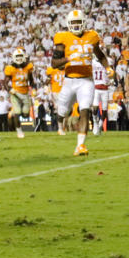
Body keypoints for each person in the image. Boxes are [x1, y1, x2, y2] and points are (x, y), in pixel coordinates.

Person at [51, 10, 111, 156]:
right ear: (68, 24)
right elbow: (54, 63)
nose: (76, 25)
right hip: (69, 80)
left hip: (86, 80)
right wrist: (69, 58)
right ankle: (60, 124)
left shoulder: (92, 36)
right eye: (73, 23)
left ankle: (80, 145)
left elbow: (100, 55)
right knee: (63, 110)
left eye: (78, 22)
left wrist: (108, 68)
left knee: (85, 109)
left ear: (83, 22)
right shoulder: (63, 37)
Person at [3, 48, 35, 139]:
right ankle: (19, 131)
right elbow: (5, 83)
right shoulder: (10, 68)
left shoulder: (28, 67)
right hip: (15, 93)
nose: (19, 58)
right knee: (18, 113)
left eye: (21, 56)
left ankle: (13, 112)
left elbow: (31, 79)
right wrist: (9, 89)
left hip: (25, 93)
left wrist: (33, 87)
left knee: (25, 114)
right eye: (17, 56)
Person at [90, 57, 112, 136]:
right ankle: (95, 122)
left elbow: (111, 73)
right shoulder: (92, 62)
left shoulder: (107, 61)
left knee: (105, 110)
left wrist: (111, 79)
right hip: (96, 88)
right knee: (95, 107)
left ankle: (100, 125)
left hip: (105, 89)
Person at [45, 65, 65, 135]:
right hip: (56, 92)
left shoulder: (66, 69)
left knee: (65, 110)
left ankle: (61, 127)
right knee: (60, 110)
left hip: (65, 92)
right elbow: (46, 83)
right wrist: (48, 79)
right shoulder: (52, 70)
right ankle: (60, 128)